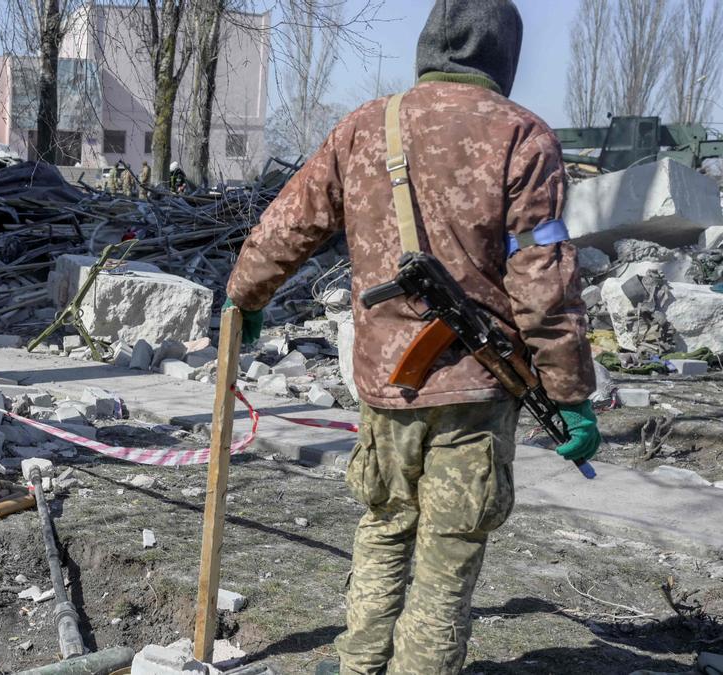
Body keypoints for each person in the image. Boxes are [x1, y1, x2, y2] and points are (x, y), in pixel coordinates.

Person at [223, 1, 600, 673]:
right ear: (503, 55)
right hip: (475, 396)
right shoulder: (523, 137)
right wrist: (570, 391)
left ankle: (358, 665)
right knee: (444, 568)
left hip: (384, 387)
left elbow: (290, 220)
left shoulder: (367, 126)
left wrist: (247, 293)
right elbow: (543, 277)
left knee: (383, 532)